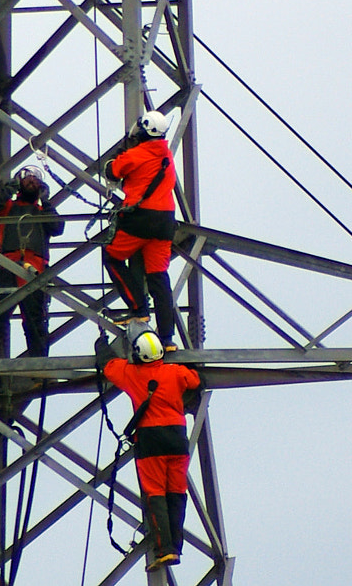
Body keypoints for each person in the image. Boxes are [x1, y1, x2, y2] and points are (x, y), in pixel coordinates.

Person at [95, 333, 201, 570]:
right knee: (176, 493)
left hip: (151, 439)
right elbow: (194, 381)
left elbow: (108, 365)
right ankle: (175, 546)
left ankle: (165, 549)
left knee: (155, 495)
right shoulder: (175, 372)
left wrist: (101, 345)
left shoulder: (131, 374)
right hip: (177, 438)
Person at [102, 110, 179, 351]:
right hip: (165, 220)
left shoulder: (135, 154)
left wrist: (121, 152)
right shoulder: (167, 154)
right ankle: (166, 338)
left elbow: (111, 171)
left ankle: (139, 309)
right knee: (158, 277)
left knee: (111, 257)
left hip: (140, 218)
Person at [0, 166, 63, 358]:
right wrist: (10, 188)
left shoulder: (42, 212)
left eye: (35, 179)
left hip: (35, 268)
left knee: (35, 321)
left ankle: (40, 369)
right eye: (27, 179)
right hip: (8, 264)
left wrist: (47, 202)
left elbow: (57, 227)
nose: (31, 181)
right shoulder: (8, 207)